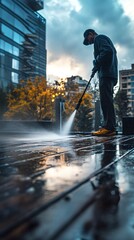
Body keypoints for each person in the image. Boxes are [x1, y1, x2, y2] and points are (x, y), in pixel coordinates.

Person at [83, 29, 118, 136]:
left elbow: (107, 51)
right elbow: (107, 53)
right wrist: (97, 67)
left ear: (91, 34)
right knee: (107, 100)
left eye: (88, 40)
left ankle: (108, 127)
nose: (89, 43)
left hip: (106, 74)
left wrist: (96, 61)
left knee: (106, 101)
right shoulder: (103, 39)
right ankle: (110, 127)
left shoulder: (99, 38)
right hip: (109, 74)